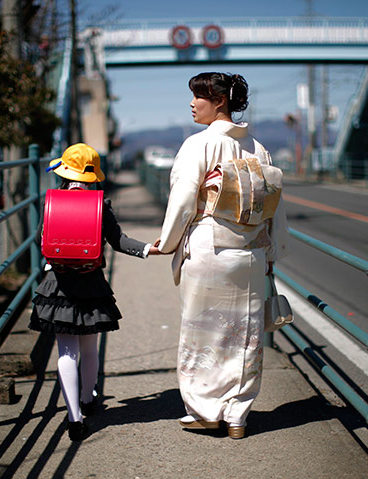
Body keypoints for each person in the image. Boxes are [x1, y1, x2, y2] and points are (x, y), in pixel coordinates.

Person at [155, 72, 291, 439]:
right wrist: (273, 250)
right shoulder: (259, 149)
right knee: (243, 334)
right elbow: (274, 205)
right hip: (250, 253)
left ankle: (205, 411)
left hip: (209, 247)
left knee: (202, 332)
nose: (191, 103)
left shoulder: (198, 145)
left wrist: (166, 242)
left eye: (197, 96)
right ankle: (237, 415)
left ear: (219, 100)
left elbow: (184, 201)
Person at [29, 143, 160, 441]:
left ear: (64, 171)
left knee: (66, 352)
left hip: (58, 286)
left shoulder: (52, 201)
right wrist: (149, 250)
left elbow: (40, 241)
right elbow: (119, 241)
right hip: (91, 284)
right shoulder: (101, 205)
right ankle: (88, 400)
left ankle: (74, 418)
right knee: (88, 349)